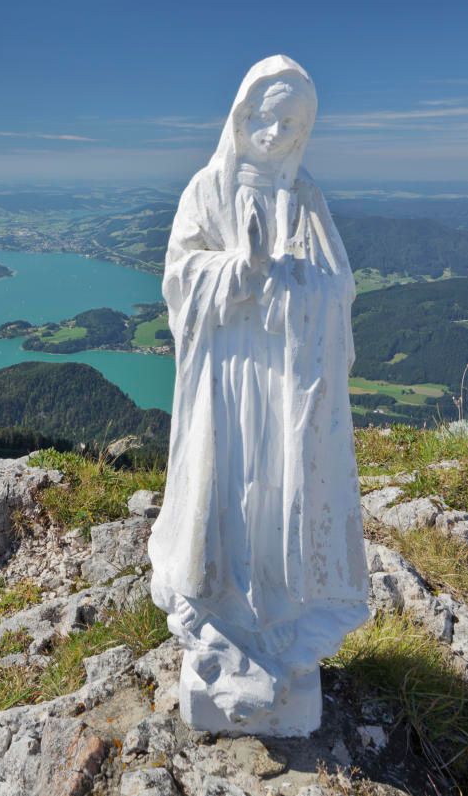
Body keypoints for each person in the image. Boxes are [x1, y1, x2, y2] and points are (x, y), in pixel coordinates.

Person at [147, 55, 369, 736]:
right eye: (263, 117)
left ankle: (281, 622)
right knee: (224, 498)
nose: (273, 133)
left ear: (305, 129)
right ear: (241, 117)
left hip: (284, 391)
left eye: (289, 121)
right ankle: (218, 615)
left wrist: (292, 284)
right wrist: (238, 270)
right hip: (224, 383)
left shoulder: (306, 202)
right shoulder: (205, 192)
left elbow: (339, 291)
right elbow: (180, 280)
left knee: (277, 500)